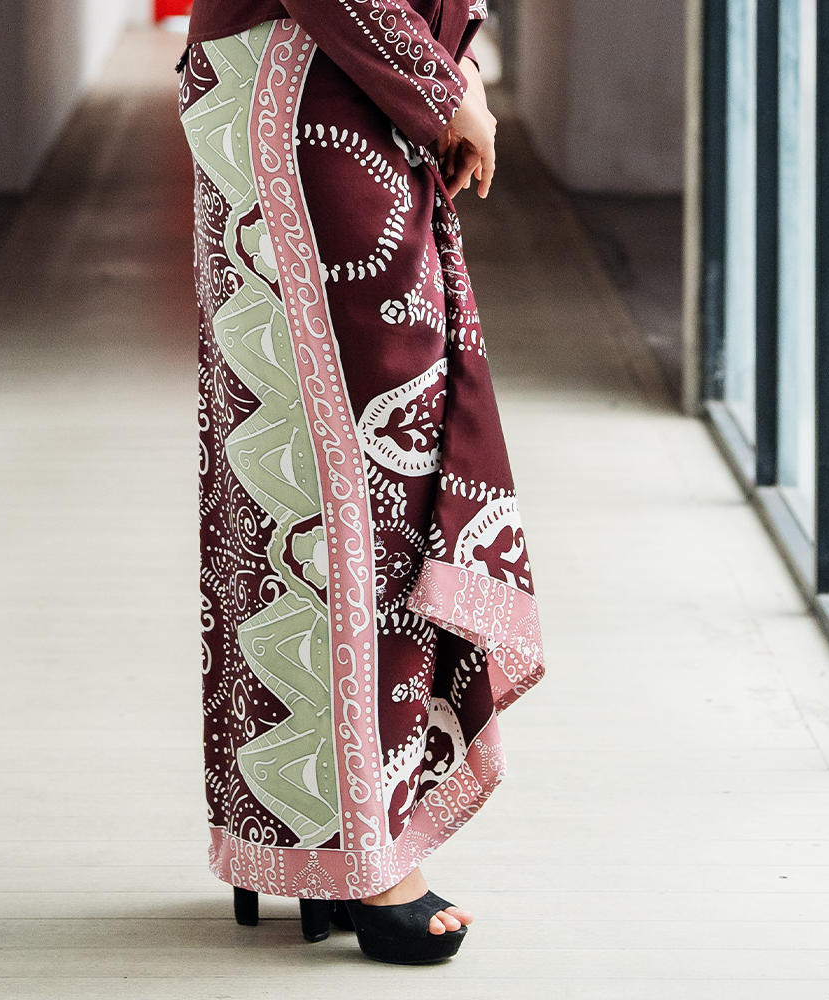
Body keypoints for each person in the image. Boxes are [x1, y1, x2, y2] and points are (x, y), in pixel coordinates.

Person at [178, 0, 544, 965]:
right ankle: (358, 854)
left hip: (330, 76)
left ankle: (304, 837)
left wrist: (452, 73)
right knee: (348, 475)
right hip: (318, 81)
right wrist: (436, 88)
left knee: (318, 470)